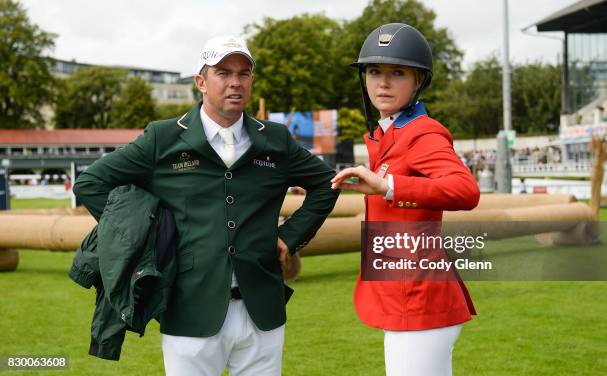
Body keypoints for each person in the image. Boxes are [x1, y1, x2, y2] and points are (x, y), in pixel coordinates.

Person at [73, 35, 339, 376]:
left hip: (262, 312)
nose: (235, 82)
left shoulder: (276, 139)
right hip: (188, 311)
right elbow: (90, 184)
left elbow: (326, 184)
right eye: (223, 72)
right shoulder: (162, 138)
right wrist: (141, 238)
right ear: (201, 81)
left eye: (243, 74)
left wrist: (290, 237)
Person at [331, 23, 480, 376]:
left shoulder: (422, 133)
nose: (382, 82)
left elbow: (466, 189)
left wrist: (389, 187)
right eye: (374, 71)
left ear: (418, 81)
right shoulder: (390, 132)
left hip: (419, 298)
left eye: (397, 72)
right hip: (404, 293)